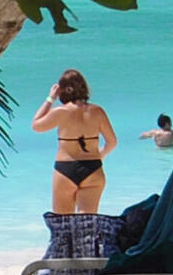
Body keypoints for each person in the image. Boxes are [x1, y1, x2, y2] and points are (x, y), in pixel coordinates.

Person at [32, 69, 117, 215]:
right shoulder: (98, 111)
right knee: (87, 226)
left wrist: (50, 99)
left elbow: (36, 125)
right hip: (93, 168)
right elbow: (112, 142)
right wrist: (100, 155)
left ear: (62, 91)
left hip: (66, 169)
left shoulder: (61, 112)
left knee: (62, 225)